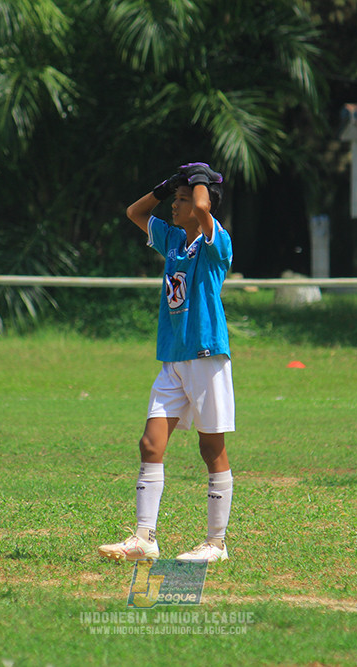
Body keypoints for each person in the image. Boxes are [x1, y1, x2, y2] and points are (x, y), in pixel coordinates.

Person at [98, 162, 235, 564]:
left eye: (182, 200)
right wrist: (165, 188)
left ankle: (216, 543)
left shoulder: (215, 242)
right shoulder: (173, 239)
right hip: (173, 358)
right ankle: (144, 539)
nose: (175, 207)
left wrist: (200, 180)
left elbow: (204, 208)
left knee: (211, 448)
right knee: (150, 443)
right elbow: (135, 213)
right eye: (175, 200)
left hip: (206, 355)